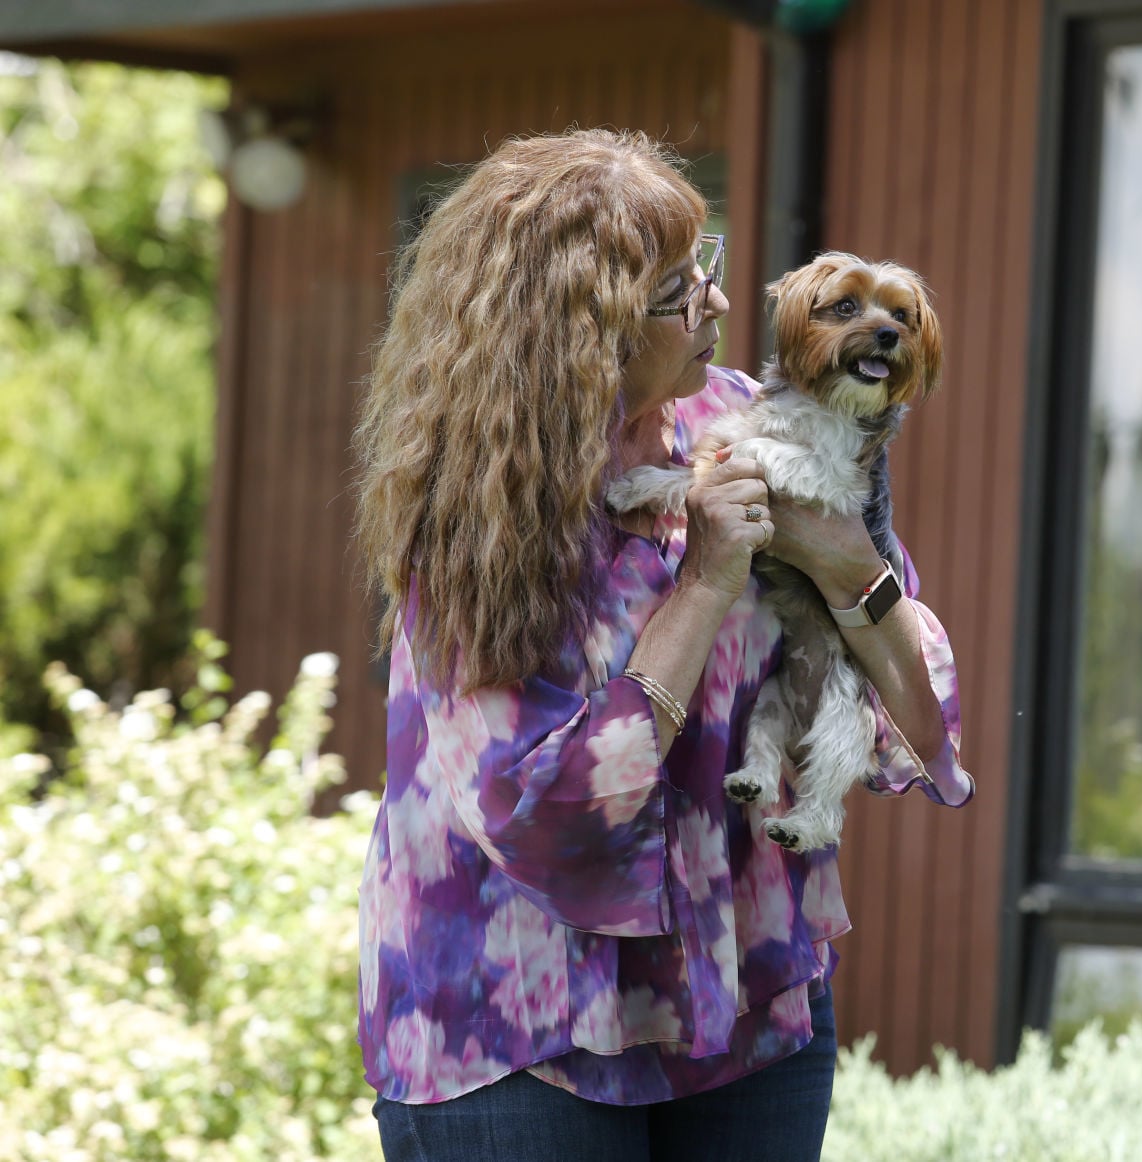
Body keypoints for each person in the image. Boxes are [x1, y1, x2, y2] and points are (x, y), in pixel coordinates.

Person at [350, 128, 973, 1162]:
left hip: (749, 1007)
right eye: (679, 290)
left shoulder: (748, 419)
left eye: (707, 265)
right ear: (583, 329)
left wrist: (846, 563)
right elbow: (549, 815)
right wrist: (707, 582)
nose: (718, 302)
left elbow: (920, 710)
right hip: (520, 1032)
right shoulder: (474, 517)